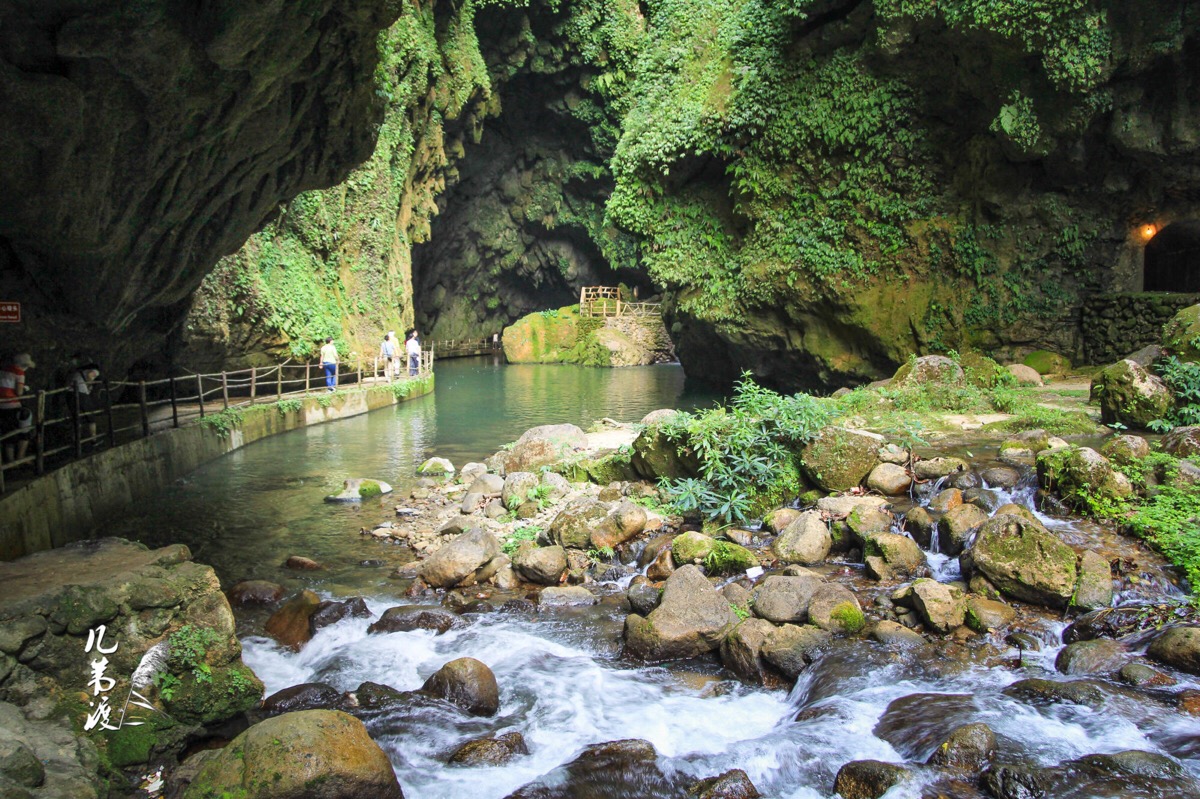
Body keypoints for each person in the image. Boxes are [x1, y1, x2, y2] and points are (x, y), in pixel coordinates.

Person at [0, 353, 34, 462]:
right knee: (25, 426)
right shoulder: (19, 373)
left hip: (1, 406)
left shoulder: (3, 370)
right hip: (12, 405)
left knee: (8, 433)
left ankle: (10, 461)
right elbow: (19, 392)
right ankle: (20, 457)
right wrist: (25, 389)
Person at [67, 363, 101, 442]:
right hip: (81, 394)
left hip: (69, 395)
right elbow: (90, 375)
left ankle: (76, 441)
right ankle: (93, 440)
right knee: (91, 417)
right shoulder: (95, 371)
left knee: (77, 418)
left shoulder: (77, 373)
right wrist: (90, 384)